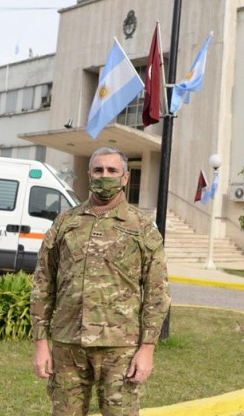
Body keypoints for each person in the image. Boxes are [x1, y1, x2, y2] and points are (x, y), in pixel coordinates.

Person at [31, 147, 171, 416]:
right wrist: (40, 344)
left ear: (125, 178)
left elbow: (157, 292)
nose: (104, 176)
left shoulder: (141, 227)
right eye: (98, 170)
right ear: (89, 174)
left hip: (120, 347)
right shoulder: (66, 222)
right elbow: (43, 283)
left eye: (111, 171)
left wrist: (147, 348)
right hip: (68, 344)